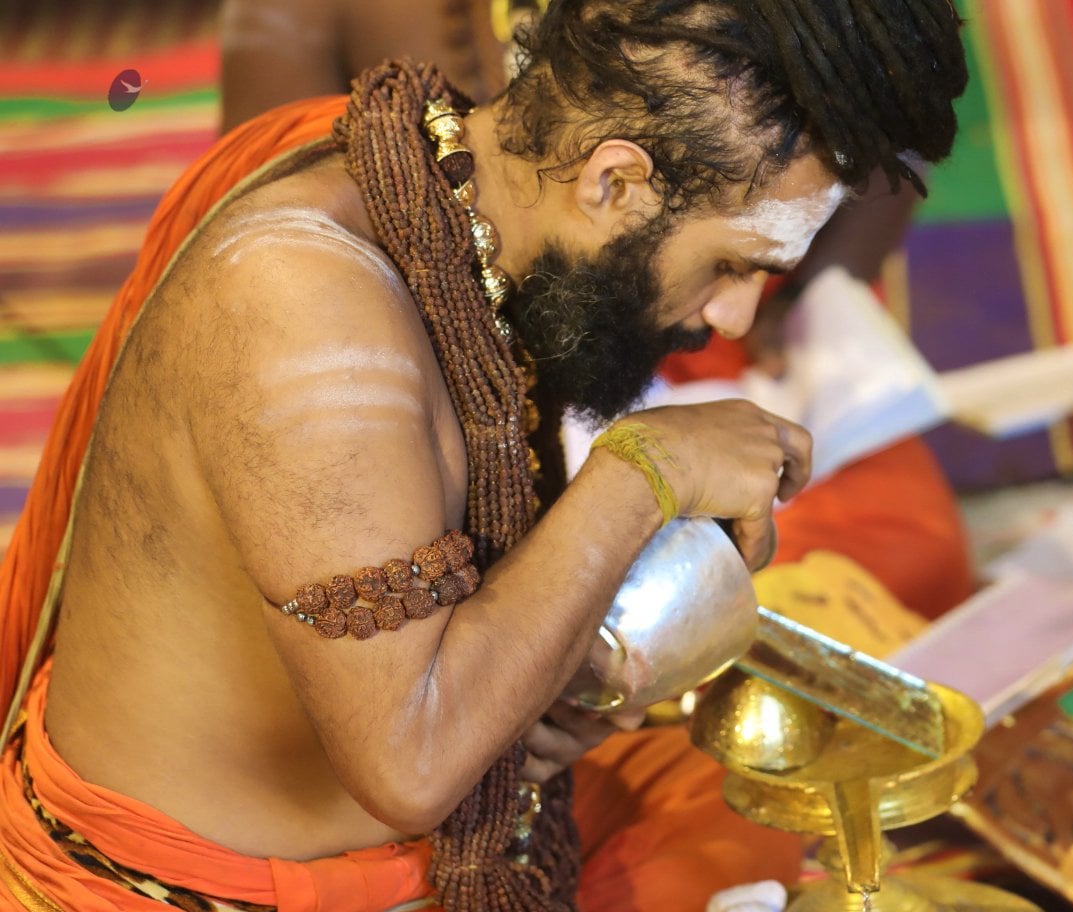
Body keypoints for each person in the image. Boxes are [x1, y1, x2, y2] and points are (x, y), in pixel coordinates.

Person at [0, 0, 968, 912]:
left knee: (741, 784)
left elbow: (444, 647)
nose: (729, 321)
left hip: (416, 850)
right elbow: (410, 762)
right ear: (615, 179)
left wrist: (564, 695)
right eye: (734, 262)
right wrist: (641, 476)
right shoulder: (298, 304)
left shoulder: (450, 196)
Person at [217, 0, 962, 618]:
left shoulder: (734, 292)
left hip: (716, 349)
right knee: (660, 596)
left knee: (902, 555)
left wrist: (784, 290)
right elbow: (404, 728)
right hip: (445, 346)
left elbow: (887, 112)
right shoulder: (306, 276)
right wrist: (640, 479)